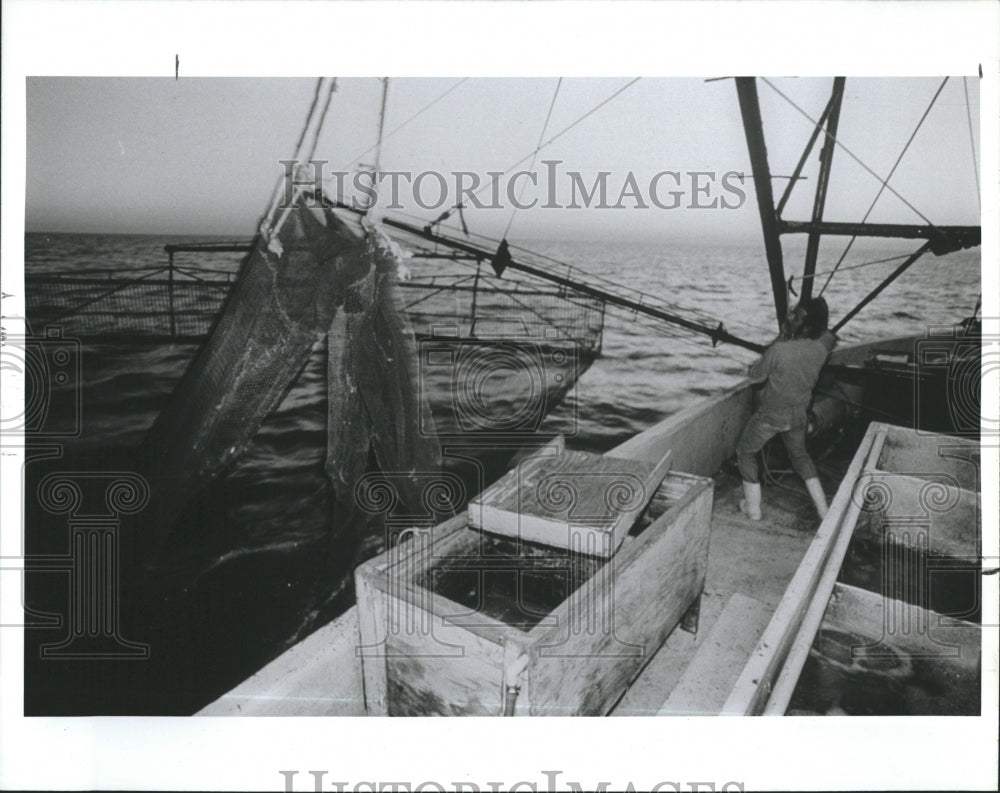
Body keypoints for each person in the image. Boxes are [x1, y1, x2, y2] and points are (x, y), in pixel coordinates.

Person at [736, 296, 836, 521]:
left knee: (745, 452)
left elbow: (755, 377)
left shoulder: (779, 350)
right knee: (801, 458)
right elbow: (829, 337)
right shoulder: (821, 348)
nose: (789, 316)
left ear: (807, 324)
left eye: (796, 315)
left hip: (770, 417)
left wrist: (781, 336)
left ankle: (753, 510)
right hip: (798, 416)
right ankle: (823, 511)